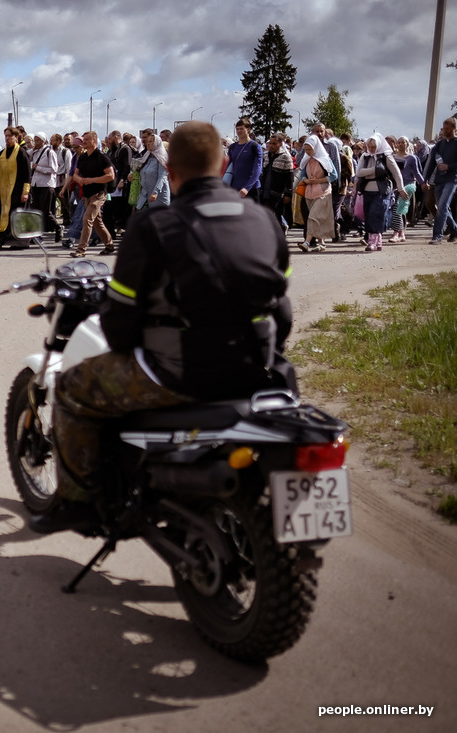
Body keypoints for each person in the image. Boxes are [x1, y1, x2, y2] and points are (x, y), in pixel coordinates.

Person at [30, 121, 293, 534]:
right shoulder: (265, 223)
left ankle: (78, 503)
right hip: (256, 370)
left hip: (179, 373)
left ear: (170, 170)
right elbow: (283, 312)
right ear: (223, 163)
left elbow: (120, 324)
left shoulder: (154, 227)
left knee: (71, 386)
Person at [0, 126, 31, 250]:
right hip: (2, 190)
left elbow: (27, 175)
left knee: (13, 216)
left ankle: (1, 240)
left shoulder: (21, 153)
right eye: (6, 136)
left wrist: (25, 192)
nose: (7, 138)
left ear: (16, 137)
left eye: (10, 136)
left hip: (16, 191)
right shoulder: (2, 154)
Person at [355, 134, 407, 252]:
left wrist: (401, 188)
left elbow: (396, 172)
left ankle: (372, 242)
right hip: (367, 190)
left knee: (376, 214)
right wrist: (375, 170)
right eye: (369, 146)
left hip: (382, 191)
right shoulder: (365, 156)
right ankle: (377, 241)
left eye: (374, 147)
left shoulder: (386, 156)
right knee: (368, 215)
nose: (371, 149)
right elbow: (359, 172)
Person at [71, 131, 115, 257]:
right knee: (97, 222)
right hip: (86, 194)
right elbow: (75, 174)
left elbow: (110, 175)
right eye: (83, 140)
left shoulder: (102, 157)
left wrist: (92, 180)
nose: (84, 142)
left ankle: (81, 249)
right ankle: (109, 245)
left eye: (87, 140)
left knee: (87, 219)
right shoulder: (83, 157)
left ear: (94, 141)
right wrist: (79, 179)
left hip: (99, 194)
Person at [295, 134, 337, 252]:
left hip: (323, 192)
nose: (307, 152)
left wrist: (318, 180)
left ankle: (307, 242)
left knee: (313, 217)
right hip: (310, 192)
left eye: (309, 149)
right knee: (318, 218)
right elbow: (302, 173)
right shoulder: (306, 160)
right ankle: (321, 243)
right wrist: (306, 180)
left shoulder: (325, 160)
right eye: (306, 150)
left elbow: (334, 176)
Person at [424, 117, 457, 244]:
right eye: (444, 129)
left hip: (452, 180)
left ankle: (437, 236)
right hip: (439, 180)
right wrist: (424, 180)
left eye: (447, 129)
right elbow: (431, 163)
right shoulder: (439, 145)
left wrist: (449, 166)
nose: (444, 131)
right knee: (443, 208)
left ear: (454, 129)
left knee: (443, 206)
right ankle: (454, 230)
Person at [390, 136, 425, 243]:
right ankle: (402, 233)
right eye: (399, 142)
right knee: (400, 209)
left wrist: (423, 183)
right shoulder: (392, 157)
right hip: (395, 186)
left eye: (403, 142)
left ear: (407, 144)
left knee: (399, 207)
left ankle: (395, 234)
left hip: (408, 185)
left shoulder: (412, 158)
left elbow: (417, 172)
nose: (400, 144)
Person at [260, 133, 294, 234]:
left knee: (275, 214)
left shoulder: (285, 157)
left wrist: (288, 193)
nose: (271, 145)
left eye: (274, 143)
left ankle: (280, 232)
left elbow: (289, 177)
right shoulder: (265, 155)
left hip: (277, 192)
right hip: (264, 190)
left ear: (280, 144)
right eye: (270, 143)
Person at [28, 132, 60, 241]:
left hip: (46, 184)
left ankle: (58, 227)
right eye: (35, 140)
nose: (36, 143)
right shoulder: (35, 152)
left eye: (38, 141)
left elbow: (54, 169)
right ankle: (37, 234)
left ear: (44, 141)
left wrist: (38, 168)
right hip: (36, 184)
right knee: (35, 210)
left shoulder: (49, 153)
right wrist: (33, 149)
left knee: (45, 211)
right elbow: (27, 156)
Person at [225, 118, 263, 200]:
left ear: (248, 129)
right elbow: (226, 166)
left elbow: (258, 169)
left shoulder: (255, 146)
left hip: (250, 189)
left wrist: (247, 188)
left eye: (241, 129)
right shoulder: (233, 147)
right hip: (234, 188)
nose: (239, 131)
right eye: (237, 129)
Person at [132, 128, 170, 211]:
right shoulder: (147, 157)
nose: (148, 144)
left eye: (151, 142)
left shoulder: (161, 158)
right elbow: (139, 169)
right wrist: (131, 175)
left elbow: (162, 177)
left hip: (158, 197)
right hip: (145, 194)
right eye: (147, 142)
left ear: (157, 143)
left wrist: (155, 193)